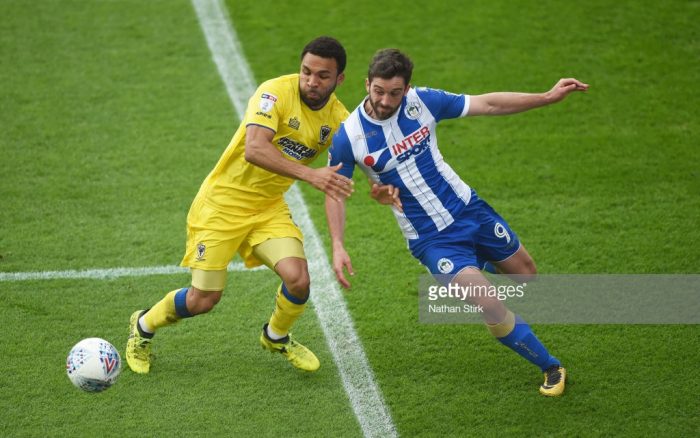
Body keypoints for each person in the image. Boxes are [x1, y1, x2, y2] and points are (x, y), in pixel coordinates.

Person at [325, 48, 588, 396]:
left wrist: (547, 97)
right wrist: (338, 243)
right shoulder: (350, 136)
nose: (386, 100)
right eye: (378, 91)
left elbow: (487, 104)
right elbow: (334, 190)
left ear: (407, 88)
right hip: (432, 240)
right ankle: (550, 366)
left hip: (469, 211)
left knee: (527, 276)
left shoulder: (424, 102)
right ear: (366, 84)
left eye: (394, 92)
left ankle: (476, 264)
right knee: (490, 303)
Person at [126, 36, 354, 374]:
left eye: (322, 76)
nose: (311, 81)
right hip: (221, 205)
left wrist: (381, 193)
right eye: (306, 72)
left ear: (339, 80)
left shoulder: (339, 121)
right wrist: (309, 175)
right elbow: (255, 149)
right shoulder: (274, 93)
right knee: (203, 300)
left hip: (267, 208)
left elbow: (346, 176)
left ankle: (276, 336)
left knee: (299, 279)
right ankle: (143, 326)